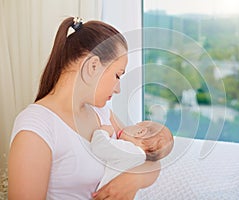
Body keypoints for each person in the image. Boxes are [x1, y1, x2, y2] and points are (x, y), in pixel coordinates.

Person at [8, 17, 161, 200]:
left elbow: (151, 160)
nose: (118, 88)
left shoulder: (102, 114)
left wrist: (132, 181)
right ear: (93, 66)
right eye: (118, 75)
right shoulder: (37, 127)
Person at [91, 121, 174, 191]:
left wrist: (103, 131)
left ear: (140, 132)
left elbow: (99, 146)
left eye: (136, 124)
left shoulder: (131, 150)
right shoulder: (141, 160)